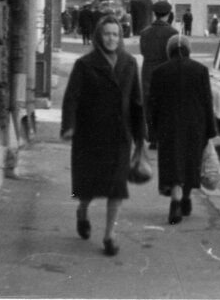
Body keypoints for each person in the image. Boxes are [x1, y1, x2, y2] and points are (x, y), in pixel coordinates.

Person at [60, 14, 144, 257]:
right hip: (90, 134)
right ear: (99, 36)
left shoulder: (129, 63)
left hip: (119, 135)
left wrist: (140, 135)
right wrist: (69, 125)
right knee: (88, 187)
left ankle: (109, 235)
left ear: (121, 37)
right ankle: (82, 212)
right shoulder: (85, 64)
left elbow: (136, 101)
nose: (111, 38)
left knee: (116, 188)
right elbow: (71, 98)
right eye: (107, 34)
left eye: (115, 34)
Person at [148, 37, 216, 224]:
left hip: (168, 126)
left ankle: (175, 203)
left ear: (169, 51)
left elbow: (152, 104)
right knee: (189, 162)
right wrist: (210, 130)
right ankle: (185, 198)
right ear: (188, 50)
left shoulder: (159, 72)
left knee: (173, 163)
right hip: (195, 125)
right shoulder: (200, 70)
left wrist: (152, 132)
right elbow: (207, 101)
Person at [138, 1, 179, 147]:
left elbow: (143, 51)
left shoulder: (145, 32)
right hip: (166, 70)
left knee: (150, 104)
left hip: (148, 71)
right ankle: (163, 135)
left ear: (154, 14)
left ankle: (152, 137)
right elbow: (175, 55)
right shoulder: (173, 33)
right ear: (168, 14)